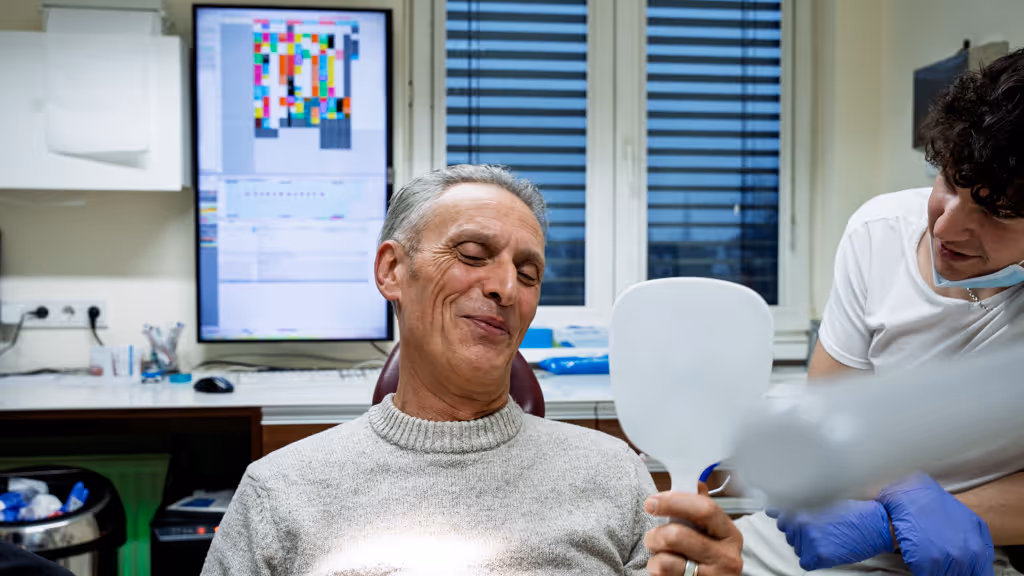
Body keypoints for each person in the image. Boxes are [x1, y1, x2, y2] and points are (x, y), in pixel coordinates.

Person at [201, 164, 743, 576]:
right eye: (472, 253)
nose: (506, 288)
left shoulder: (615, 476)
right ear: (392, 270)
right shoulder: (279, 490)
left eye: (527, 273)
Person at [739, 49, 1024, 575]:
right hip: (836, 521)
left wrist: (921, 519)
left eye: (994, 212)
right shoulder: (880, 232)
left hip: (965, 546)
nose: (945, 228)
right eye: (949, 182)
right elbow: (831, 414)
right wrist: (898, 492)